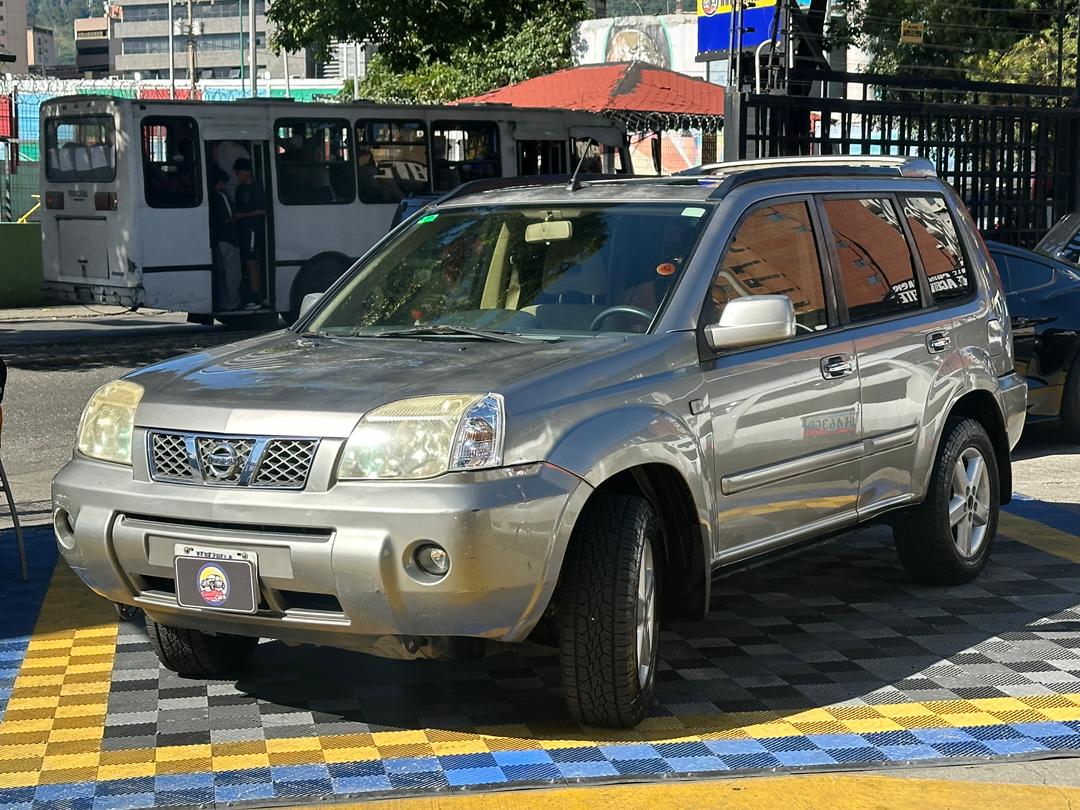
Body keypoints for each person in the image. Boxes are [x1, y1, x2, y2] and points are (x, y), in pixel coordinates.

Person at [232, 158, 267, 309]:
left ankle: (255, 297)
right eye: (236, 174)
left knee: (252, 263)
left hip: (253, 229)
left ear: (248, 172)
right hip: (243, 230)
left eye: (240, 173)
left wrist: (244, 216)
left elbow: (263, 210)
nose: (238, 177)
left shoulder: (255, 188)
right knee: (247, 263)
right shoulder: (239, 189)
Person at [208, 166, 242, 311]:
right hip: (228, 238)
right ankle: (233, 302)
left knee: (221, 273)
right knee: (232, 273)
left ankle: (223, 302)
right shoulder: (220, 196)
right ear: (220, 182)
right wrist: (236, 217)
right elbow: (226, 218)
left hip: (217, 240)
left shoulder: (210, 196)